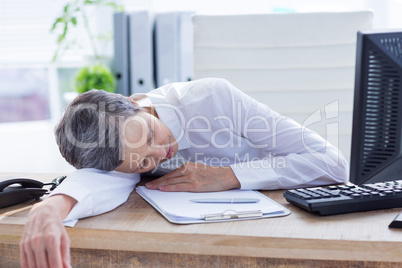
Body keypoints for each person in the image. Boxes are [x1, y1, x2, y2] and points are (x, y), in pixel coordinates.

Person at [20, 78, 348, 267]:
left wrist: (230, 175)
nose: (161, 153)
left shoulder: (214, 100)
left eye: (151, 135)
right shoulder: (122, 151)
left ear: (134, 103)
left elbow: (332, 162)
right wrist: (49, 208)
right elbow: (99, 183)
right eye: (144, 163)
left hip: (288, 229)